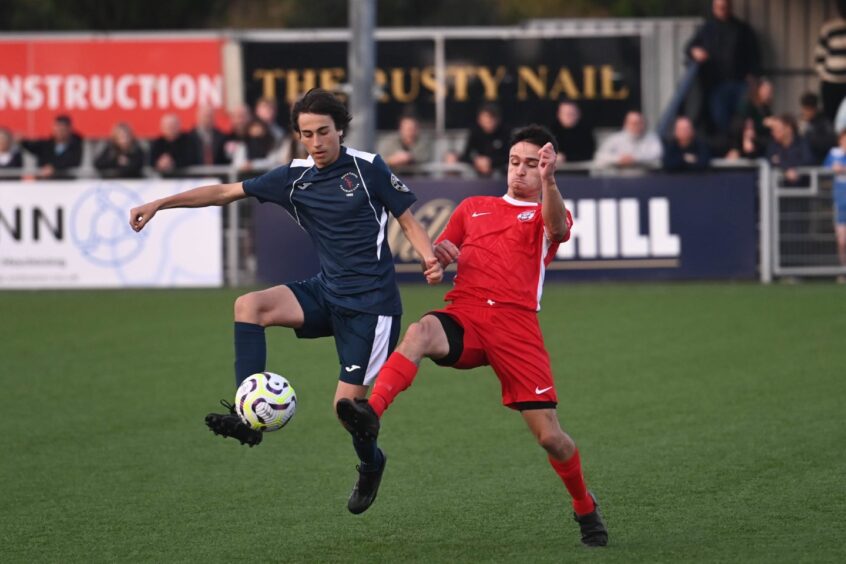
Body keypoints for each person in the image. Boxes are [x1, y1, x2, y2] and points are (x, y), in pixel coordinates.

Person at [128, 88, 443, 513]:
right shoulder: (292, 179)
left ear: (340, 130)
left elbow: (407, 219)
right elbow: (225, 192)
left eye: (324, 132)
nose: (316, 142)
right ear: (298, 135)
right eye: (307, 134)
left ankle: (371, 464)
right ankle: (247, 413)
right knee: (249, 306)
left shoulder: (368, 168)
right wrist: (160, 202)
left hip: (371, 307)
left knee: (346, 409)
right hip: (326, 291)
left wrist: (427, 256)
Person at [335, 125, 609, 547]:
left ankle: (584, 505)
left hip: (516, 328)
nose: (520, 171)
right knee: (421, 330)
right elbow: (441, 254)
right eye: (515, 162)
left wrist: (551, 182)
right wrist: (437, 262)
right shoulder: (474, 206)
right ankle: (371, 412)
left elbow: (557, 230)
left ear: (546, 169)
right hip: (466, 314)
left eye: (532, 165)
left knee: (552, 438)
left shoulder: (545, 211)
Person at [685, 0, 761, 134]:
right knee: (720, 119)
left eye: (724, 7)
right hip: (716, 85)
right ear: (714, 8)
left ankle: (739, 147)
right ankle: (726, 148)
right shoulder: (707, 29)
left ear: (730, 7)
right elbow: (689, 47)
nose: (722, 10)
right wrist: (695, 51)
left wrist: (752, 78)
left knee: (742, 118)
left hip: (740, 83)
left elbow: (754, 55)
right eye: (719, 7)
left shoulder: (742, 29)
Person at [446, 103, 510, 177]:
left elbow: (509, 156)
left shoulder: (505, 132)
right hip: (478, 174)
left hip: (501, 175)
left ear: (497, 119)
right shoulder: (475, 132)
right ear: (479, 120)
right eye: (484, 121)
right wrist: (476, 161)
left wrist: (491, 162)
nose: (487, 124)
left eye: (490, 121)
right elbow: (466, 155)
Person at [593, 110, 662, 169]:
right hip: (619, 177)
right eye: (634, 123)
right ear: (626, 124)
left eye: (640, 123)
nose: (637, 126)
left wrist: (634, 158)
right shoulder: (615, 138)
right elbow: (600, 156)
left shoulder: (652, 137)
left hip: (647, 176)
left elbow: (657, 154)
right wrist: (619, 159)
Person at [815, 0, 846, 123]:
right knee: (830, 116)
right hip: (831, 82)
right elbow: (819, 54)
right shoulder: (829, 27)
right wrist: (824, 74)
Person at [765, 114, 814, 186]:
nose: (773, 132)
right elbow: (769, 161)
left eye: (776, 128)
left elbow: (808, 160)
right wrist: (786, 168)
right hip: (778, 191)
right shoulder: (773, 146)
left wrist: (784, 163)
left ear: (788, 129)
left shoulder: (802, 143)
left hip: (801, 190)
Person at [823, 129, 846, 282]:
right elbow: (824, 169)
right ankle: (843, 269)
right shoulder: (834, 154)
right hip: (840, 202)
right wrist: (833, 169)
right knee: (842, 240)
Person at [550, 100, 595, 165]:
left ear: (578, 114)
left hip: (581, 170)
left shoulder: (586, 132)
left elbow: (589, 154)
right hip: (555, 171)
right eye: (565, 114)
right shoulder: (550, 132)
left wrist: (565, 158)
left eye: (571, 114)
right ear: (559, 115)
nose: (568, 117)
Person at [799, 92, 836, 164]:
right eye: (804, 109)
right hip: (803, 164)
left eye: (807, 109)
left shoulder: (824, 122)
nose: (805, 112)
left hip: (819, 163)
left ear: (814, 109)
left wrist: (809, 134)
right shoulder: (802, 122)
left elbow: (830, 143)